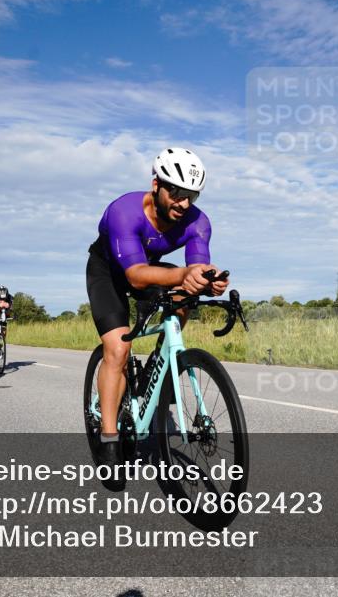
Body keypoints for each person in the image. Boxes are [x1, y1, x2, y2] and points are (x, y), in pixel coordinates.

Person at [86, 147, 228, 469]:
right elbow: (135, 277)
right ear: (156, 185)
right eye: (176, 193)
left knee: (184, 296)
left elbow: (195, 270)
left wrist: (208, 280)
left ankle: (159, 365)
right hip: (108, 272)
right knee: (118, 351)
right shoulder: (124, 211)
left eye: (191, 195)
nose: (184, 203)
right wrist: (182, 274)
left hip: (150, 266)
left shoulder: (198, 222)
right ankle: (108, 437)